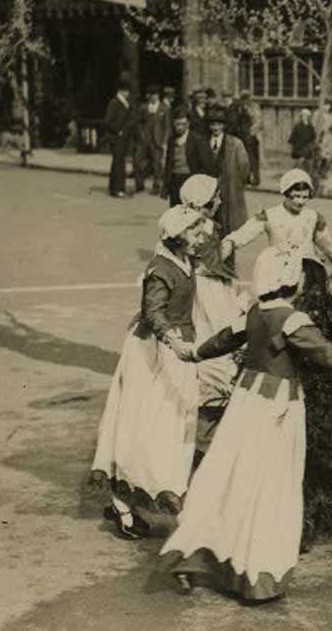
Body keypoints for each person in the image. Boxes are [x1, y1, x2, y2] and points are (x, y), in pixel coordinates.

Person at [161, 247, 332, 603]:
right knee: (271, 486)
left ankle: (195, 552)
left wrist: (192, 352)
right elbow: (330, 355)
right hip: (276, 409)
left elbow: (222, 340)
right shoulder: (291, 319)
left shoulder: (255, 313)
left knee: (228, 476)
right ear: (291, 280)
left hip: (245, 404)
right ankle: (255, 575)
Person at [90, 206, 236, 538]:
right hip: (154, 353)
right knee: (145, 423)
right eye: (194, 233)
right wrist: (174, 342)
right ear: (176, 236)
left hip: (179, 350)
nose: (200, 238)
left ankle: (161, 487)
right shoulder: (160, 269)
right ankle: (125, 502)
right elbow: (154, 313)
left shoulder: (185, 262)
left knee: (173, 423)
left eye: (201, 232)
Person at [178, 175, 249, 403]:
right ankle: (213, 377)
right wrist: (233, 241)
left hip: (218, 285)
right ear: (200, 205)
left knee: (223, 324)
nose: (219, 202)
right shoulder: (191, 229)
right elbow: (212, 262)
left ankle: (220, 375)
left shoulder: (209, 224)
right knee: (210, 326)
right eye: (214, 199)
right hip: (205, 288)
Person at [228, 168, 332, 271]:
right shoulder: (270, 215)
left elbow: (330, 249)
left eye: (305, 197)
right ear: (285, 193)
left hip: (308, 273)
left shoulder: (313, 217)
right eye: (296, 196)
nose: (300, 202)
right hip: (279, 272)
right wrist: (228, 244)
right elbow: (243, 235)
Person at [205, 105, 251, 235]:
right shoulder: (204, 142)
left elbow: (244, 167)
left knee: (228, 225)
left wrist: (236, 184)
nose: (215, 128)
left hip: (229, 188)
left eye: (219, 124)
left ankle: (228, 252)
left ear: (223, 126)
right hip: (209, 189)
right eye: (213, 124)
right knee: (209, 224)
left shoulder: (235, 144)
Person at [164, 108, 213, 207]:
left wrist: (201, 184)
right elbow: (168, 164)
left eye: (183, 124)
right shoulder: (171, 140)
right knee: (175, 211)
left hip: (190, 179)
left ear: (188, 124)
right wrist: (166, 186)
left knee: (190, 211)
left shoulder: (197, 139)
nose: (180, 127)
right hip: (175, 180)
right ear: (173, 124)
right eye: (178, 124)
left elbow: (205, 164)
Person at [104, 80, 135, 198]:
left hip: (122, 138)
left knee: (118, 162)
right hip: (116, 137)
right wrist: (118, 130)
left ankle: (114, 188)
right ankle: (118, 189)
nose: (128, 94)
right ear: (122, 91)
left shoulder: (124, 102)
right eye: (127, 91)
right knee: (119, 163)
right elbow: (108, 120)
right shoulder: (115, 102)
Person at [136, 87, 169, 196]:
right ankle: (139, 184)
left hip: (157, 140)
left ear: (159, 96)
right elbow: (139, 122)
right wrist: (141, 133)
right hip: (145, 139)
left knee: (157, 164)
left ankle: (156, 186)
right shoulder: (144, 107)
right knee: (139, 161)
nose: (153, 97)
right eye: (151, 94)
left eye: (155, 94)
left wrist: (164, 141)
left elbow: (167, 126)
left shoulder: (164, 108)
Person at [231, 90, 262, 186]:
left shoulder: (254, 108)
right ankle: (247, 178)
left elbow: (258, 123)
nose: (245, 101)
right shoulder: (240, 108)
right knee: (244, 158)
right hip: (243, 137)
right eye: (243, 99)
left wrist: (251, 134)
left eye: (246, 98)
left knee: (253, 159)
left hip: (252, 137)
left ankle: (256, 179)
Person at [289, 108, 316, 172]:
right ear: (301, 116)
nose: (304, 117)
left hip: (308, 147)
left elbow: (313, 136)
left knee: (308, 165)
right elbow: (293, 137)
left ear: (308, 117)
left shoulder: (310, 126)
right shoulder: (297, 126)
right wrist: (293, 146)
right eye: (303, 115)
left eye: (306, 116)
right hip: (299, 147)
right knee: (299, 164)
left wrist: (311, 146)